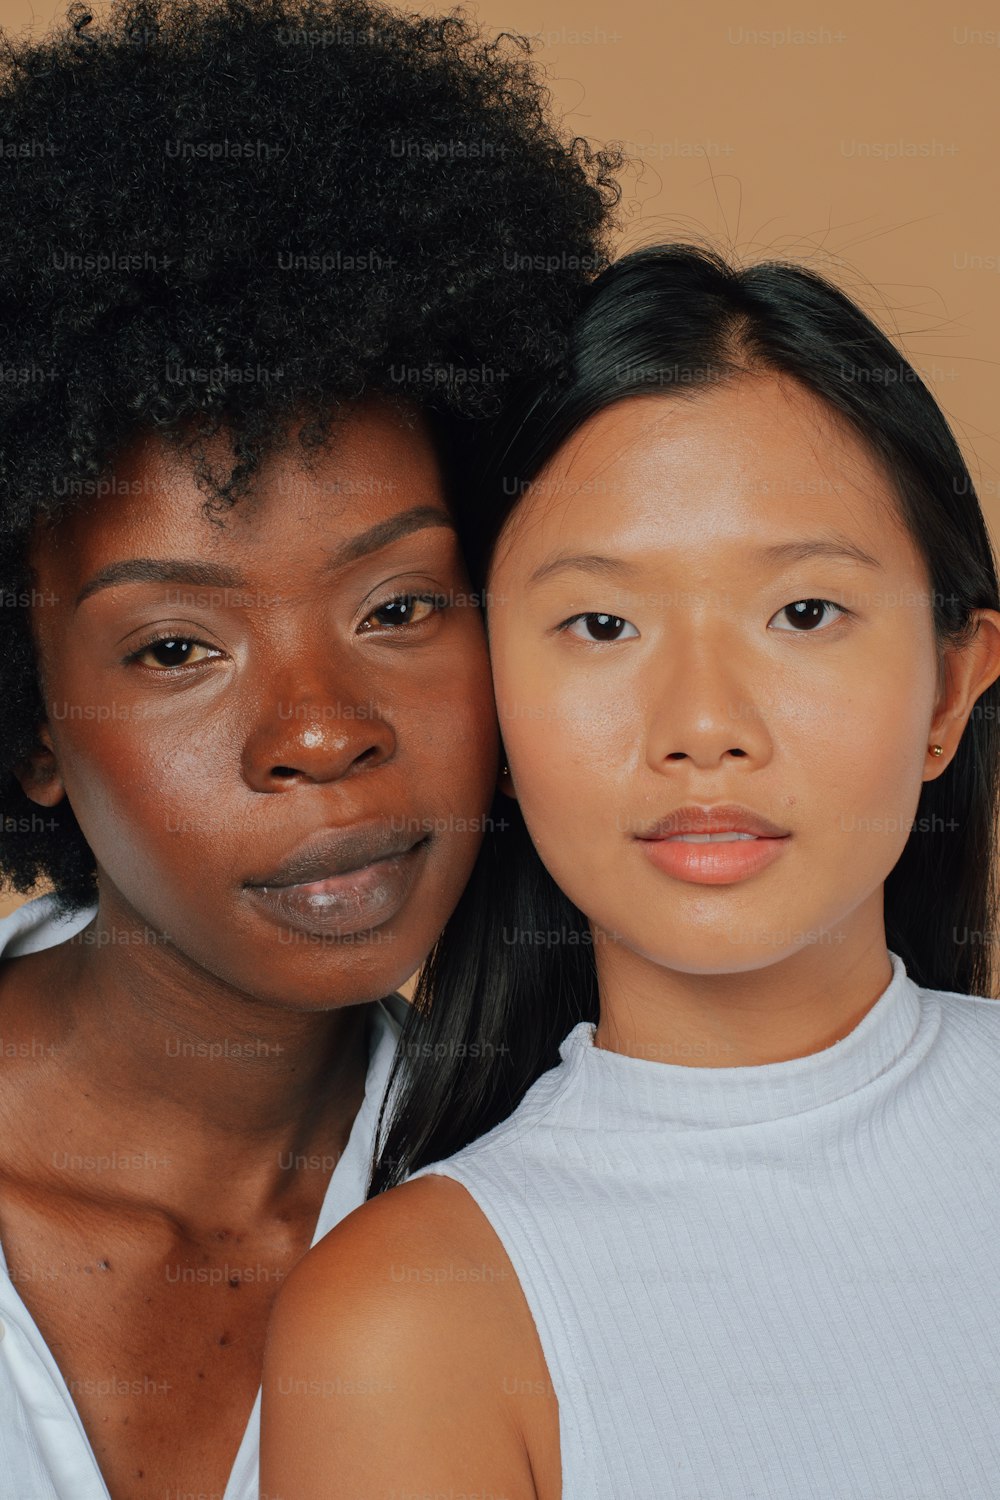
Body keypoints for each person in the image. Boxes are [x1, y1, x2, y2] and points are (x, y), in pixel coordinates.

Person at [0, 1, 620, 1496]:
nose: (323, 732)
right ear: (28, 726)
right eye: (175, 650)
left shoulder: (560, 1194)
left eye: (401, 604)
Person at [262, 244, 1000, 1499]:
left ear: (950, 687)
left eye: (803, 613)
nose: (701, 723)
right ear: (490, 703)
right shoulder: (406, 1328)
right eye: (602, 625)